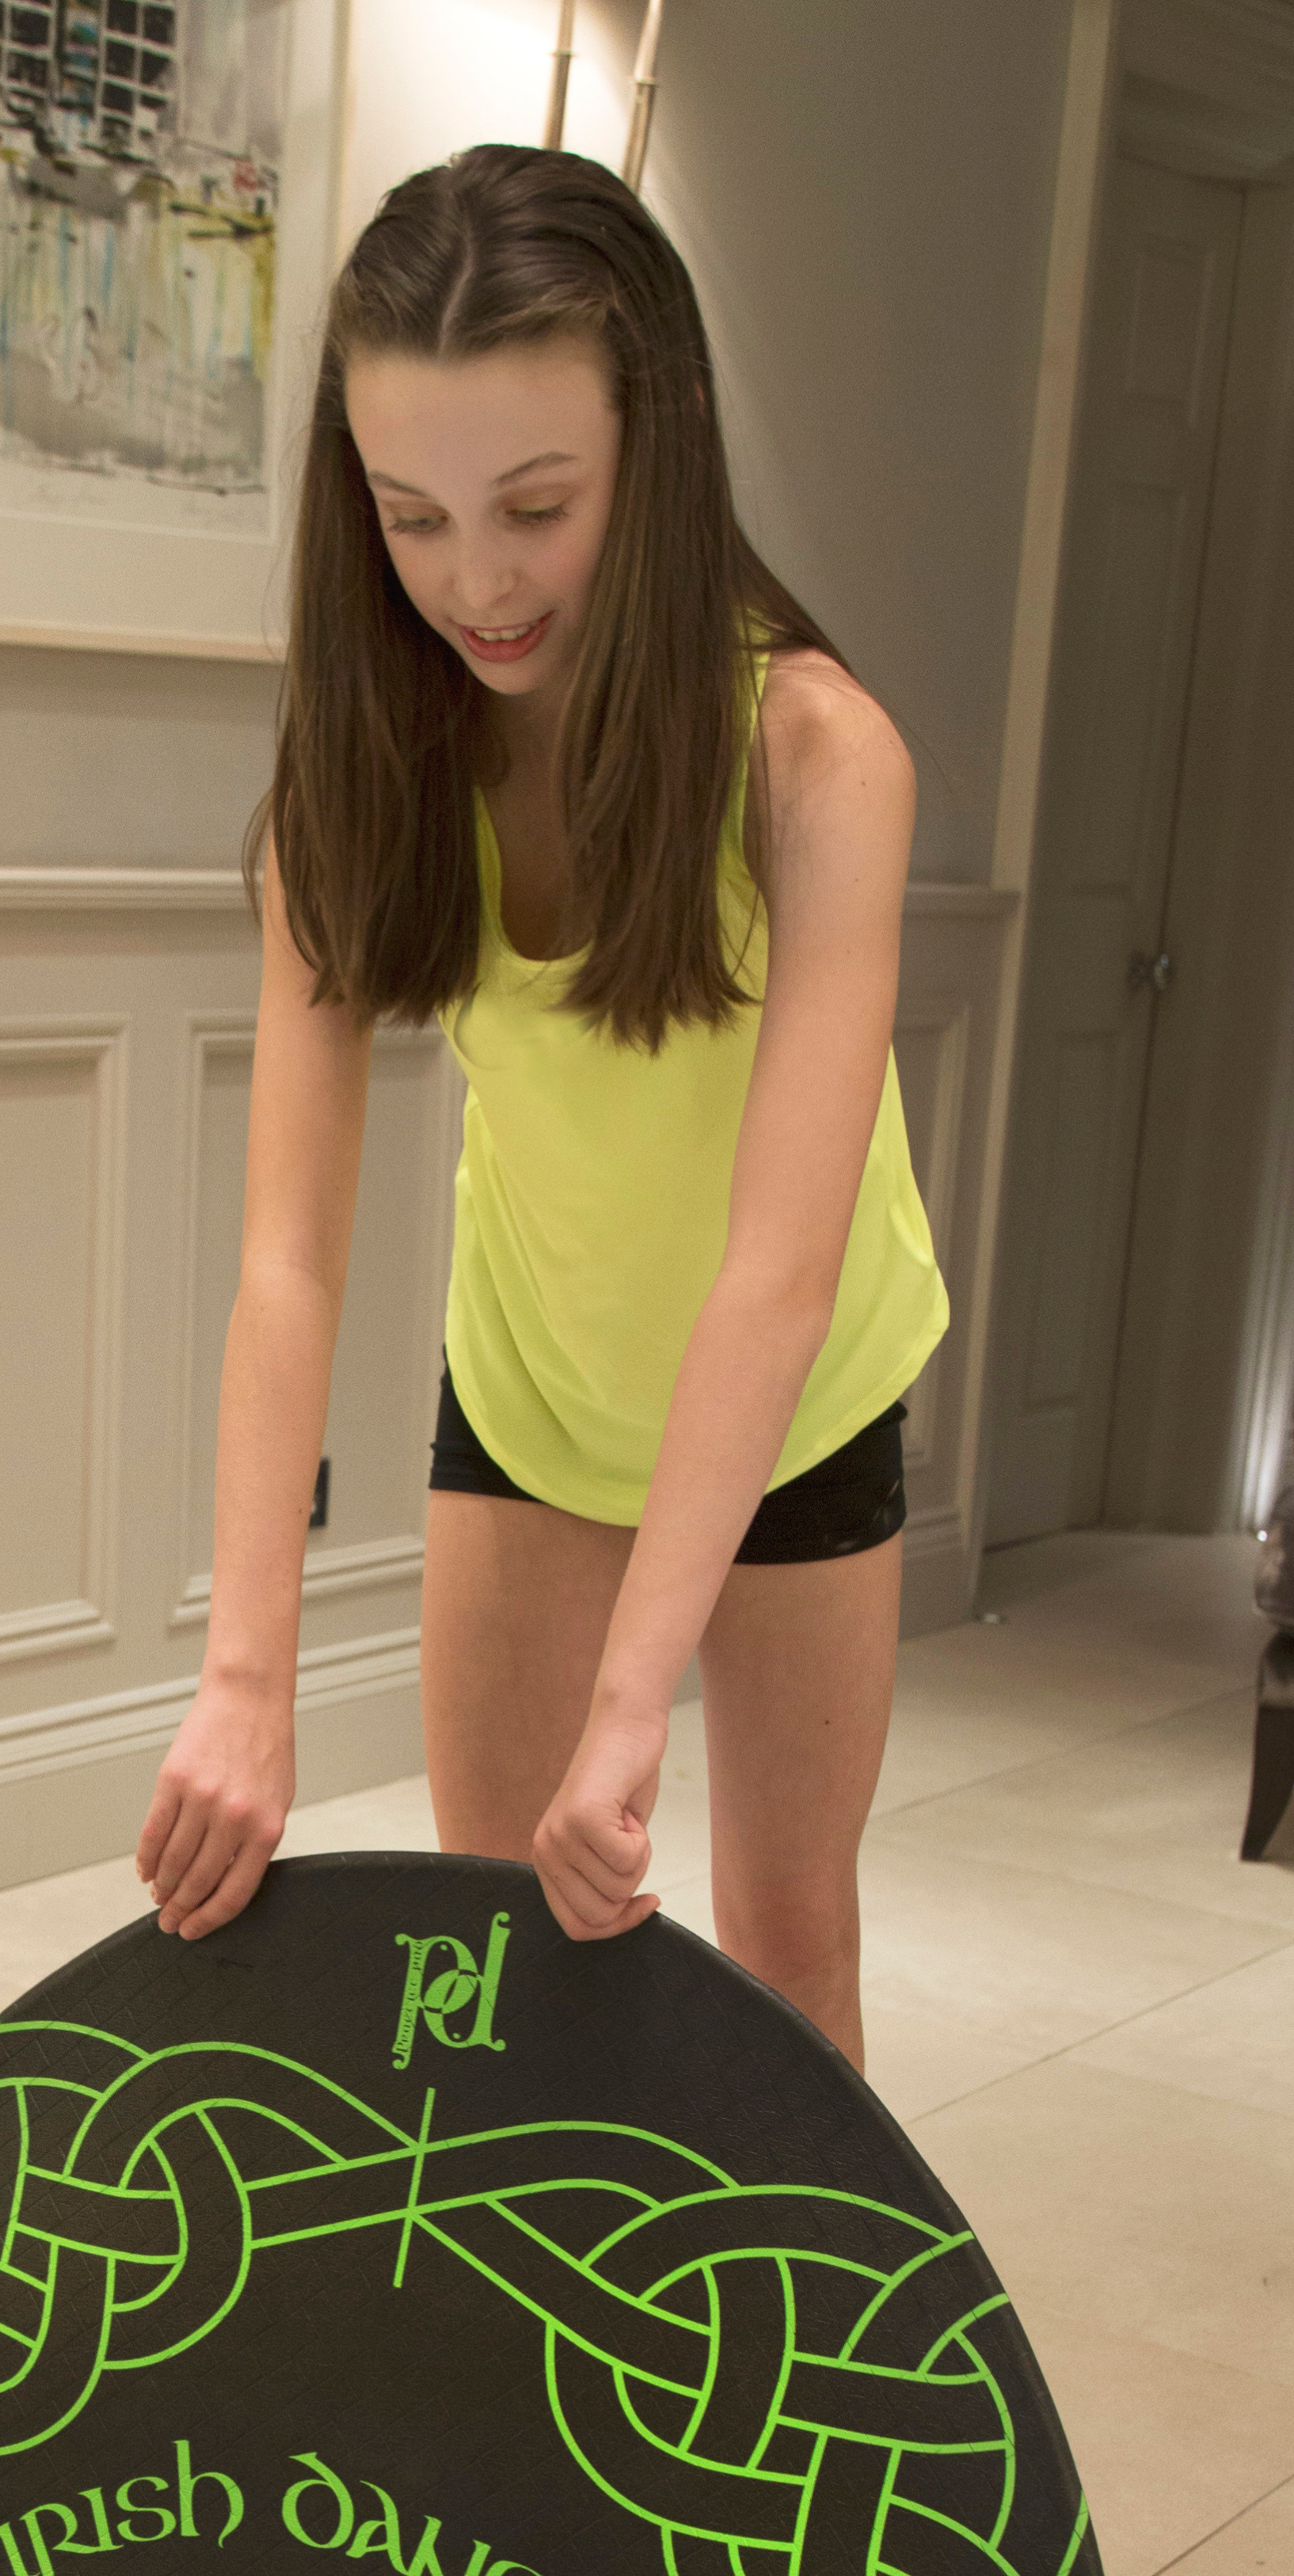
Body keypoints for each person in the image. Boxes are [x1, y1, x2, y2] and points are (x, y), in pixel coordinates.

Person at [135, 148, 946, 2073]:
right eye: (412, 517)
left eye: (537, 507)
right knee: (495, 1972)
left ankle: (782, 2290)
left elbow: (776, 1275)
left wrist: (633, 1698)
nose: (476, 584)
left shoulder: (818, 758)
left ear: (656, 448)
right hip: (536, 1387)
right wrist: (246, 1675)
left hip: (796, 1394)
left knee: (785, 1958)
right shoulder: (368, 775)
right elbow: (285, 1263)